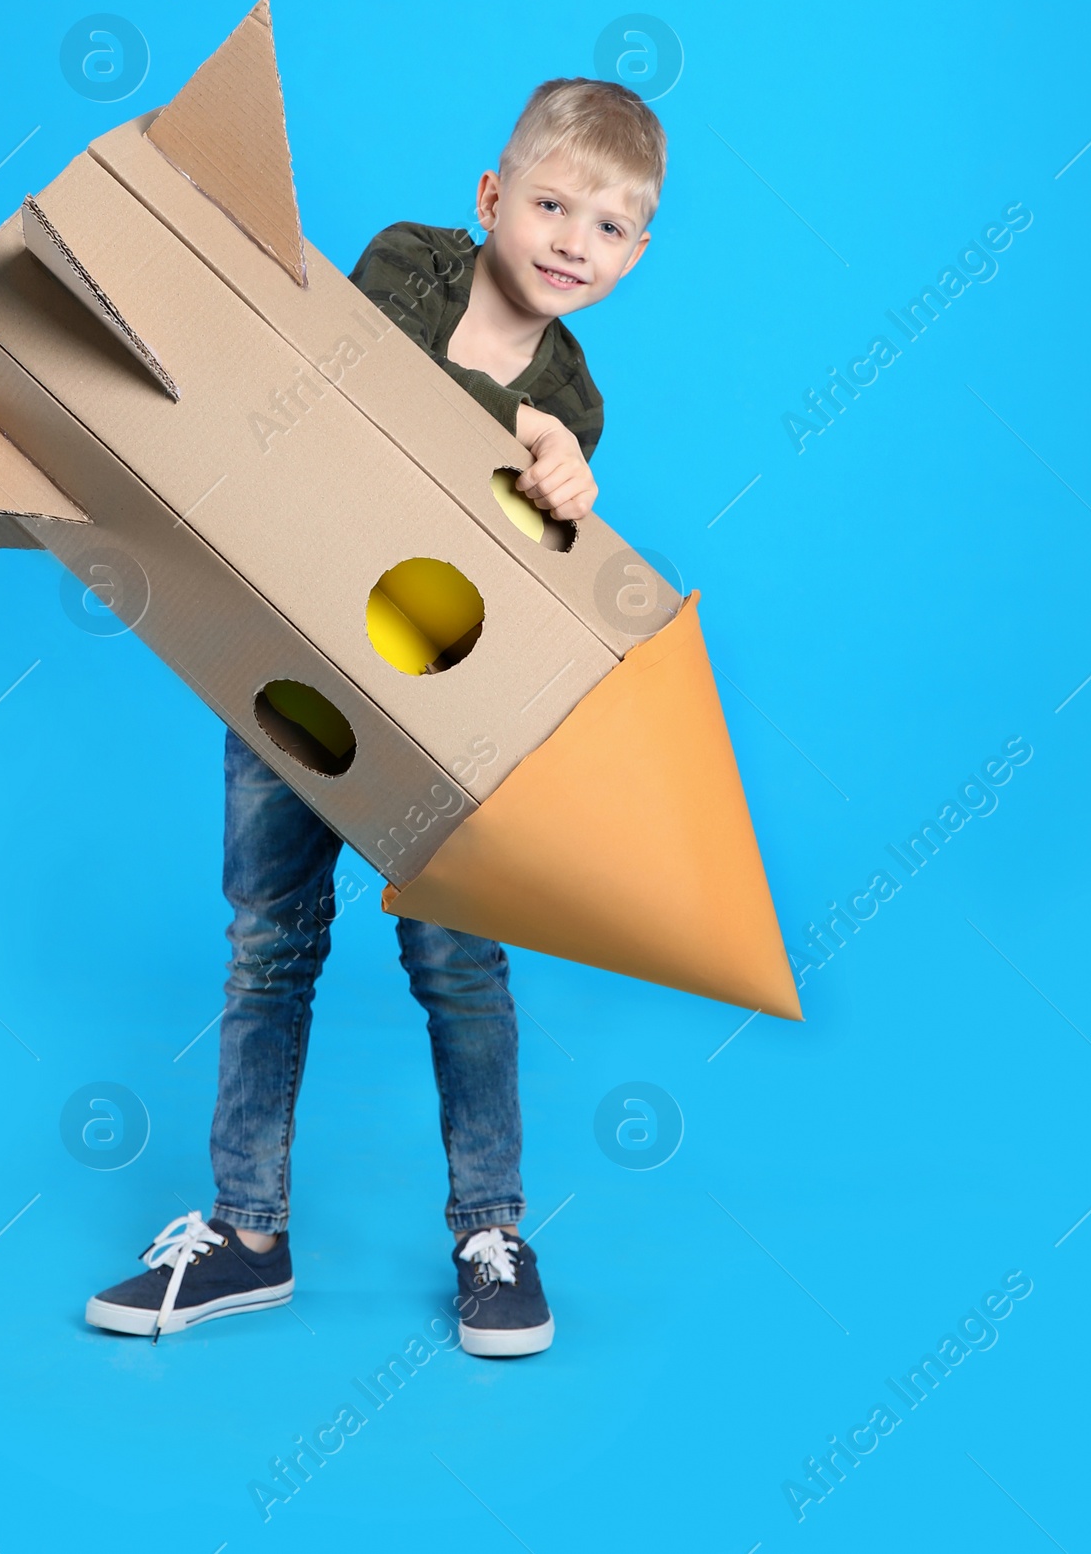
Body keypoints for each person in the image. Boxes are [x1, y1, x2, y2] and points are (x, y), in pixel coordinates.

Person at [85, 76, 666, 1351]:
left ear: (637, 251)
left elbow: (533, 564)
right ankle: (247, 1231)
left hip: (435, 721)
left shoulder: (570, 402)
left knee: (459, 960)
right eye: (552, 204)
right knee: (268, 941)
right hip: (293, 670)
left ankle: (491, 1228)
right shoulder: (407, 266)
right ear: (490, 197)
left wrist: (570, 487)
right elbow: (325, 389)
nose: (573, 241)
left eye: (611, 227)